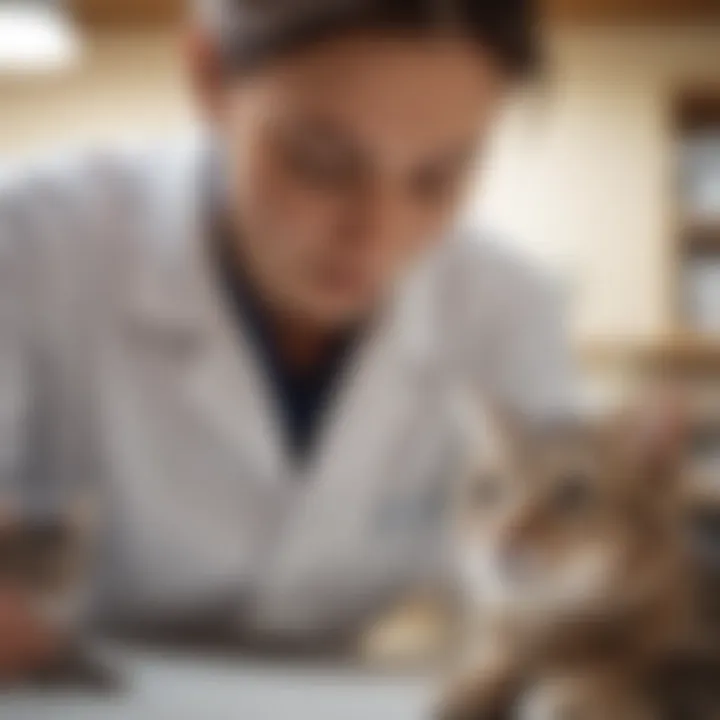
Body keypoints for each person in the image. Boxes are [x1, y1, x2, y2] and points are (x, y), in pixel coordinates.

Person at [0, 0, 575, 678]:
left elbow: (572, 554)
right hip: (76, 686)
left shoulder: (510, 308)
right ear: (209, 77)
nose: (378, 234)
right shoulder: (35, 243)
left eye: (437, 177)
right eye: (321, 162)